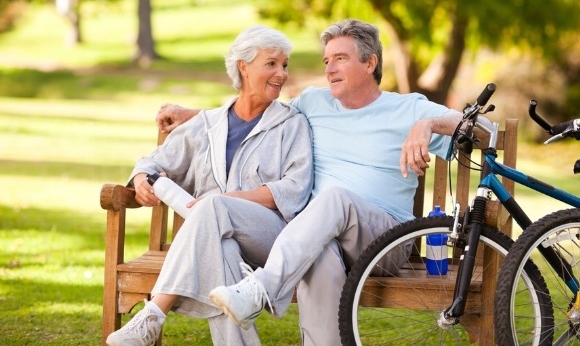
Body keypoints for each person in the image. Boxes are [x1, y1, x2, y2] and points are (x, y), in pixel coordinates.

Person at [157, 19, 464, 345]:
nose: (330, 68)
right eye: (327, 61)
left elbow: (480, 126)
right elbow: (258, 109)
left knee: (335, 199)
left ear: (370, 62)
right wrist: (192, 114)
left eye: (341, 59)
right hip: (322, 236)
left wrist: (427, 124)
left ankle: (262, 288)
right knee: (318, 252)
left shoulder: (407, 108)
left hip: (383, 242)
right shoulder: (315, 103)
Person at [106, 25, 314, 346]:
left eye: (284, 64)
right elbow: (153, 162)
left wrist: (231, 200)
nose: (282, 73)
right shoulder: (206, 125)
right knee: (221, 253)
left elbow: (294, 189)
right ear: (243, 67)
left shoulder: (291, 123)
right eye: (271, 63)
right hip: (214, 241)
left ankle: (153, 315)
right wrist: (139, 179)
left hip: (271, 240)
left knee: (215, 204)